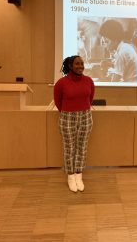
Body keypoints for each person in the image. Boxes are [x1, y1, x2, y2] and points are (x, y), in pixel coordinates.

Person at [54, 55, 95, 192]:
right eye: (77, 64)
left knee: (82, 147)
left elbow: (90, 98)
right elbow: (58, 101)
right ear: (70, 66)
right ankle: (70, 176)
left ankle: (79, 175)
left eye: (82, 64)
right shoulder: (61, 83)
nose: (80, 66)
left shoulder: (89, 81)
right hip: (67, 117)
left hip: (85, 116)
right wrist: (68, 112)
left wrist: (82, 110)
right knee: (69, 148)